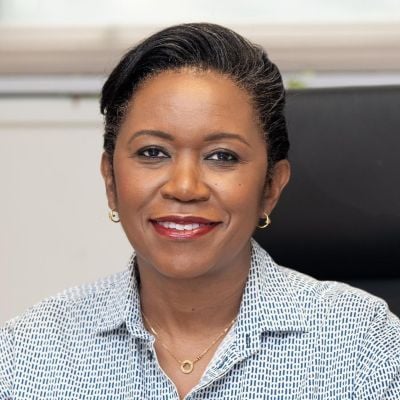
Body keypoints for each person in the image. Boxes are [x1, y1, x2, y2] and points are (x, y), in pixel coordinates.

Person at [1, 23, 399, 400]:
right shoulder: (29, 353)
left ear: (271, 187)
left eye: (222, 156)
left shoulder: (362, 346)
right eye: (153, 152)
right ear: (111, 181)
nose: (184, 187)